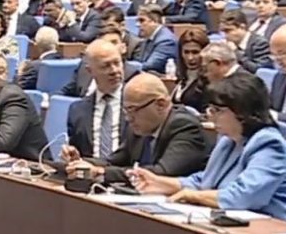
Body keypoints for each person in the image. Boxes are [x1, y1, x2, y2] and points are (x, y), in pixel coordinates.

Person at [127, 74, 286, 220]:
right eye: (210, 109)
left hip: (266, 228)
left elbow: (243, 196)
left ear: (242, 113)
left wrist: (194, 196)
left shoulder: (268, 143)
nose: (210, 115)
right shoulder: (228, 140)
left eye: (217, 110)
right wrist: (160, 182)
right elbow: (205, 180)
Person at [62, 73, 209, 184]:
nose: (128, 118)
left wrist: (100, 173)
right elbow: (113, 161)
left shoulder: (185, 126)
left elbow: (159, 174)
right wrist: (80, 163)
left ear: (161, 104)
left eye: (133, 110)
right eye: (126, 111)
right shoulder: (140, 127)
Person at [67, 39, 127, 159]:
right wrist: (72, 155)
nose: (114, 71)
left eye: (117, 63)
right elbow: (76, 152)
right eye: (106, 66)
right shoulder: (77, 111)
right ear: (90, 71)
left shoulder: (139, 105)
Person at [60, 26, 139, 97]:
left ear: (123, 48)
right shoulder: (84, 67)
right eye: (104, 43)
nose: (108, 47)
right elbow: (65, 91)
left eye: (114, 42)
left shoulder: (133, 75)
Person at [220, 9, 272, 73]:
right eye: (223, 32)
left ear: (242, 27)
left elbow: (259, 70)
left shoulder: (260, 43)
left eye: (228, 31)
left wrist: (236, 53)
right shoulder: (227, 44)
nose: (225, 36)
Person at [172, 29, 210, 112]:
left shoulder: (209, 81)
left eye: (195, 52)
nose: (190, 58)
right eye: (186, 52)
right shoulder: (183, 77)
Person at [136, 5, 177, 74]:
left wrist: (128, 67)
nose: (137, 25)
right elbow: (139, 60)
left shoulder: (166, 41)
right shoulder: (147, 37)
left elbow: (151, 65)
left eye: (142, 20)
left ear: (155, 21)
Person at [268, 25, 286, 121]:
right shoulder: (279, 77)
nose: (278, 60)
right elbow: (271, 108)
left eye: (282, 53)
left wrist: (276, 116)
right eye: (274, 55)